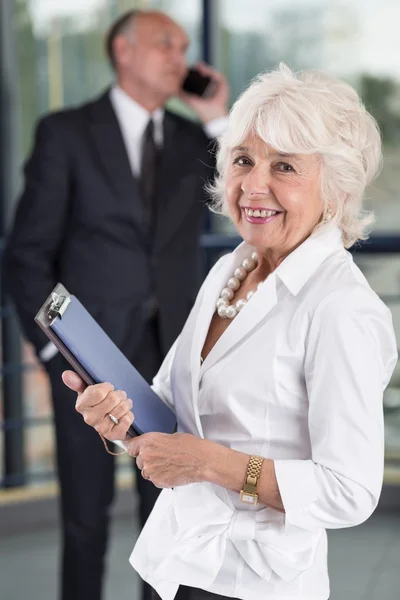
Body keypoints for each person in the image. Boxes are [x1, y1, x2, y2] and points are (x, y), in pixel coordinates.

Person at [64, 62, 398, 600]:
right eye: (243, 160)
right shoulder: (232, 267)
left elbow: (349, 490)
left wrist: (210, 463)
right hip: (178, 556)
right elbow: (170, 406)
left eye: (285, 167)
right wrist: (117, 417)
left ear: (334, 190)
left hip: (254, 580)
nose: (252, 185)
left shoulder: (341, 309)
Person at [3, 9, 229, 600]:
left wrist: (215, 117)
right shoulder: (65, 133)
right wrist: (57, 359)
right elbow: (26, 255)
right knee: (85, 516)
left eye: (183, 46)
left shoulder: (191, 140)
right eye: (165, 44)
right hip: (87, 361)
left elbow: (243, 202)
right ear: (123, 51)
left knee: (170, 513)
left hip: (173, 357)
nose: (179, 56)